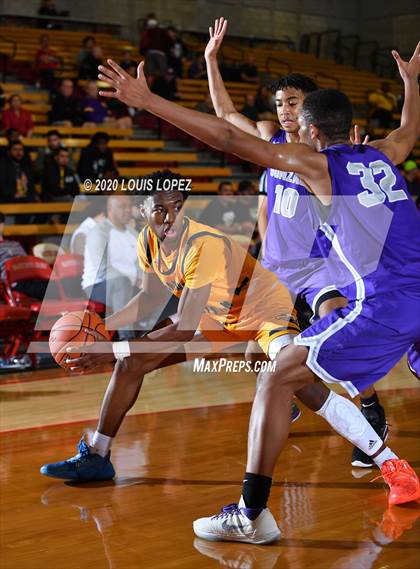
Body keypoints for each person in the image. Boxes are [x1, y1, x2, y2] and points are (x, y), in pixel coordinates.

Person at [96, 40, 420, 536]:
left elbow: (226, 135)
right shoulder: (383, 156)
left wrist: (150, 103)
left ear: (311, 131)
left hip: (382, 299)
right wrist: (412, 85)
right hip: (373, 288)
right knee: (270, 364)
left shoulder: (316, 164)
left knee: (276, 378)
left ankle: (251, 514)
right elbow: (407, 131)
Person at [40, 172, 411, 509]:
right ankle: (97, 456)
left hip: (265, 310)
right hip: (221, 316)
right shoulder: (147, 242)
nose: (169, 218)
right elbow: (150, 300)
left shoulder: (204, 243)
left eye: (176, 208)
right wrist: (102, 327)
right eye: (159, 210)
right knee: (131, 362)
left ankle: (391, 464)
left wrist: (108, 348)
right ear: (143, 211)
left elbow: (184, 327)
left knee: (307, 389)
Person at [204, 18, 387, 468]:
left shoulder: (324, 156)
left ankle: (371, 410)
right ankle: (285, 396)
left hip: (320, 267)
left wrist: (358, 151)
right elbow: (226, 116)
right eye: (280, 102)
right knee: (251, 352)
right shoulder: (270, 143)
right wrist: (211, 60)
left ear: (312, 112)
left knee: (338, 342)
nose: (285, 110)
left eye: (294, 102)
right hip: (278, 269)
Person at [80, 195, 140, 340]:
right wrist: (135, 280)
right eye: (122, 206)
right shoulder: (98, 232)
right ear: (110, 209)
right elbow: (103, 269)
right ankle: (127, 339)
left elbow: (143, 263)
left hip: (130, 283)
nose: (127, 210)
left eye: (129, 206)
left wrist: (147, 280)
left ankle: (165, 337)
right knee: (121, 283)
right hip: (98, 285)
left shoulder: (134, 233)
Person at [0, 212, 47, 299]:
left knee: (57, 285)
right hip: (13, 282)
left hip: (30, 278)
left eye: (1, 222)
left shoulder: (15, 244)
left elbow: (27, 262)